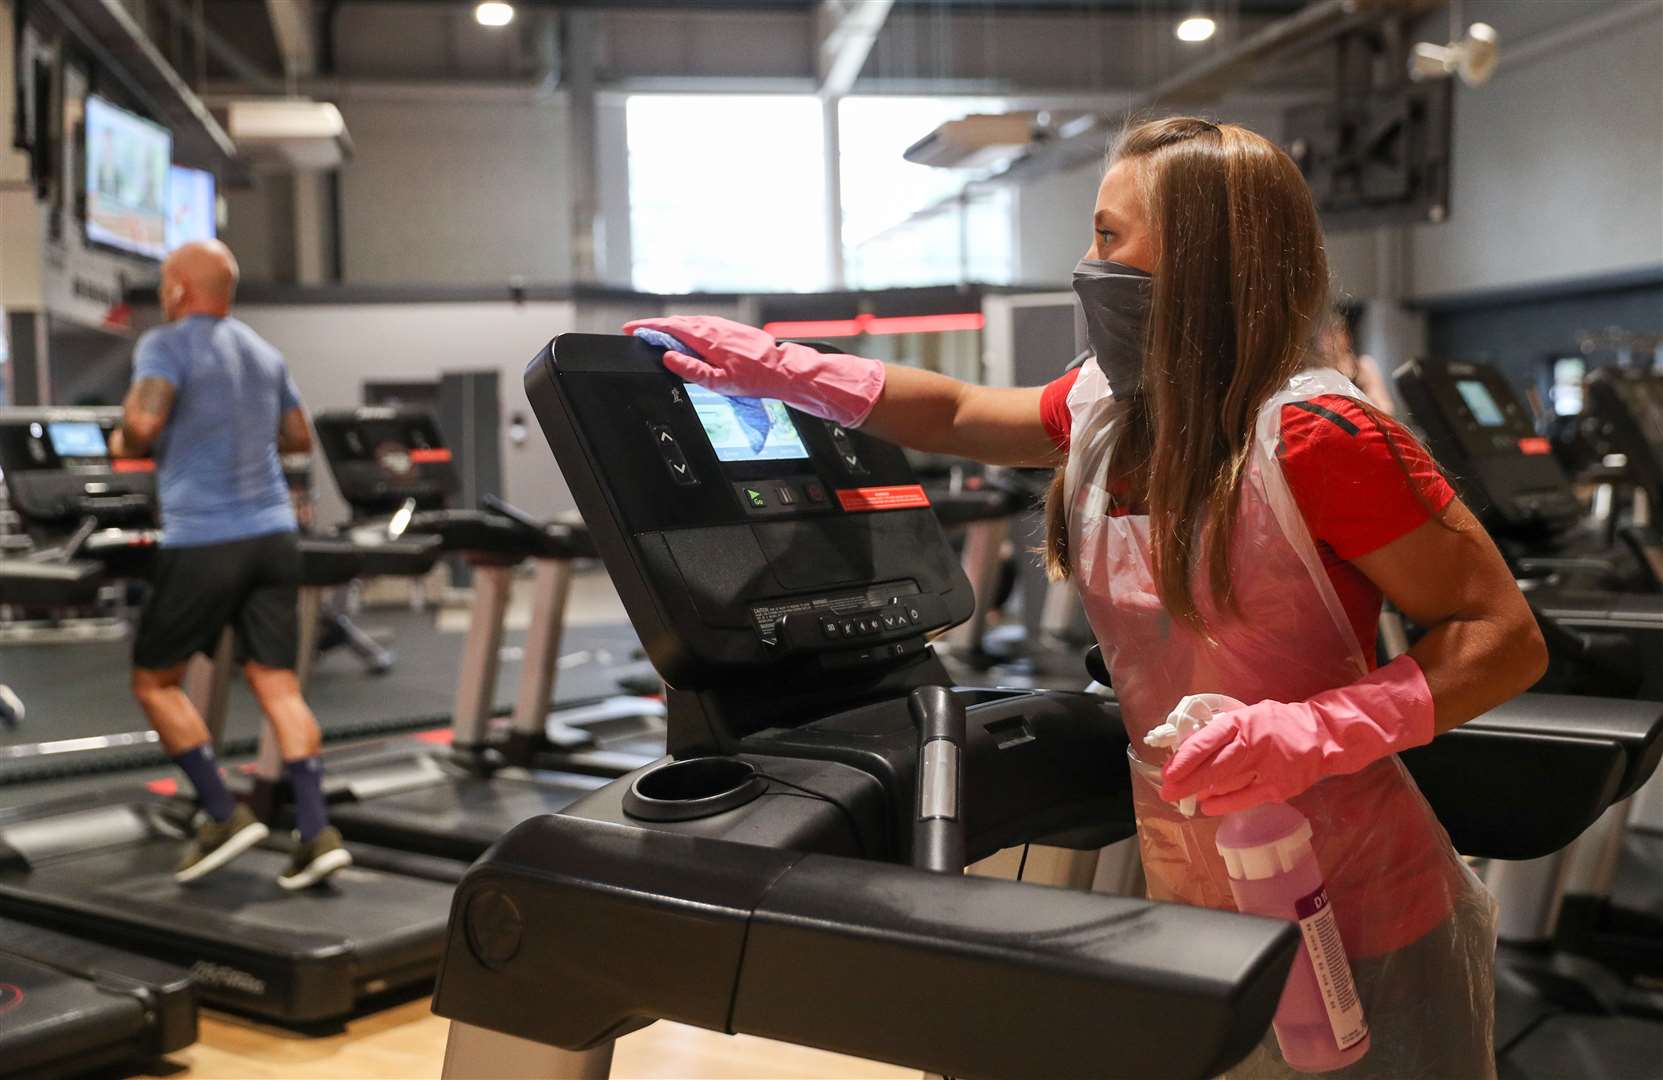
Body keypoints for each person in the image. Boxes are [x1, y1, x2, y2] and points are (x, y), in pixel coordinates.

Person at [625, 117, 1547, 1078]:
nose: (1087, 261)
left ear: (1199, 256)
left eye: (1109, 236)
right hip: (1186, 863)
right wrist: (788, 371)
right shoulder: (1108, 404)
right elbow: (959, 412)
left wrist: (1314, 731)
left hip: (1349, 885)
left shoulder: (1321, 436)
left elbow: (1502, 635)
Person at [111, 240, 350, 890]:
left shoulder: (166, 344)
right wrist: (237, 434)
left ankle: (221, 813)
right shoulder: (262, 351)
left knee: (155, 681)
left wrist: (122, 434)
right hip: (273, 535)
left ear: (179, 290)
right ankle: (315, 830)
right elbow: (298, 437)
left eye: (165, 282)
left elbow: (143, 428)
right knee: (278, 685)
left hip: (206, 537)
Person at [1321, 312, 1397, 415]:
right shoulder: (1321, 372)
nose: (1329, 342)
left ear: (1346, 337)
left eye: (1333, 335)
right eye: (1326, 336)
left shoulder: (1363, 365)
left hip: (1364, 421)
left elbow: (1386, 407)